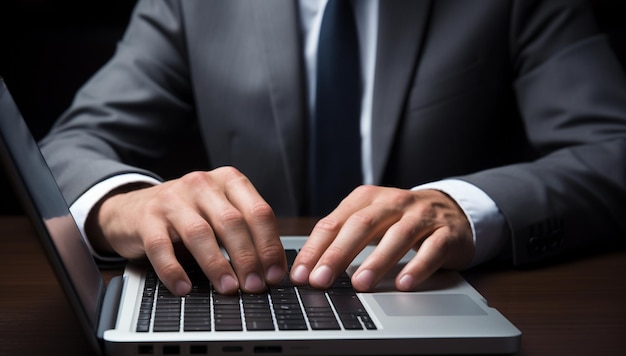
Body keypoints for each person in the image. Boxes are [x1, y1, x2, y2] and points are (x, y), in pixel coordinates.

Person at [40, 0, 626, 297]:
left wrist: (468, 206)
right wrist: (125, 204)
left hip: (440, 298)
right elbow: (74, 143)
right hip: (247, 292)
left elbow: (611, 146)